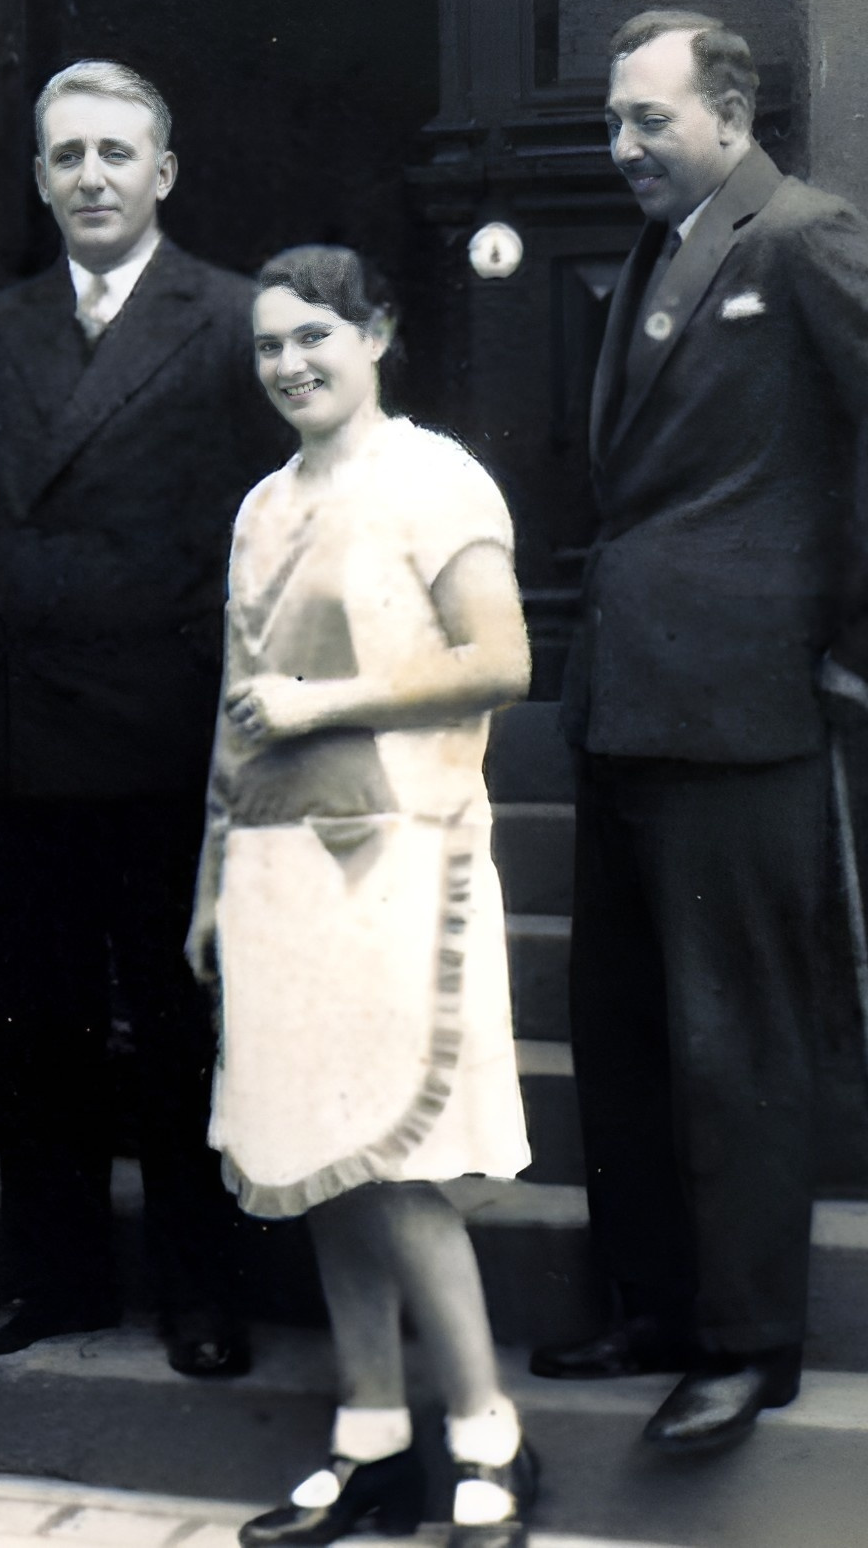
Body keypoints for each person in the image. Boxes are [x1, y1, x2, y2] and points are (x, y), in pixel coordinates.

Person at [532, 10, 868, 1452]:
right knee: (620, 1028)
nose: (621, 150)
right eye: (613, 124)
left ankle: (746, 1343)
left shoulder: (801, 237)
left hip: (741, 708)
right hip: (629, 697)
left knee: (732, 1038)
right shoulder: (668, 252)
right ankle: (655, 1305)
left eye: (647, 122)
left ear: (728, 114)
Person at [0, 60, 292, 1378]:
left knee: (180, 1025)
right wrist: (45, 599)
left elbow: (273, 519)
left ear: (163, 174)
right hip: (23, 724)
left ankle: (203, 1290)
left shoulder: (233, 317)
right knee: (39, 1025)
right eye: (65, 156)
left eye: (115, 155)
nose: (90, 177)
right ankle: (56, 1281)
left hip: (167, 721)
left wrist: (160, 623)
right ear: (38, 176)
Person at [192, 247, 540, 1548]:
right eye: (270, 345)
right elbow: (234, 712)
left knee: (397, 1163)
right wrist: (209, 872)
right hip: (277, 863)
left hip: (404, 848)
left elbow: (501, 660)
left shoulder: (435, 479)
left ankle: (490, 1438)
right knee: (313, 1160)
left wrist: (323, 702)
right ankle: (372, 1434)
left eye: (316, 337)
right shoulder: (261, 507)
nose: (290, 364)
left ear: (378, 331)